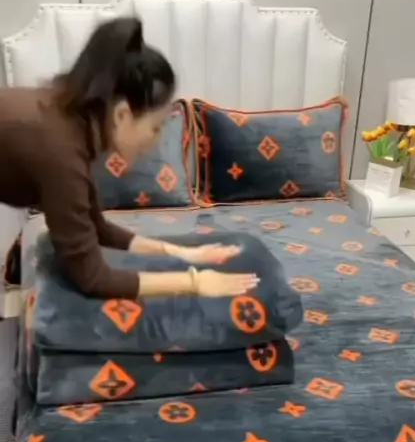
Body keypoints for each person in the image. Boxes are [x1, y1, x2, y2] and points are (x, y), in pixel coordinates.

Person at [0, 18, 259, 300]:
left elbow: (97, 228)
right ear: (122, 114)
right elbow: (93, 278)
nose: (158, 139)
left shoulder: (73, 122)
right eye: (156, 127)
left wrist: (182, 253)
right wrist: (195, 282)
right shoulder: (62, 153)